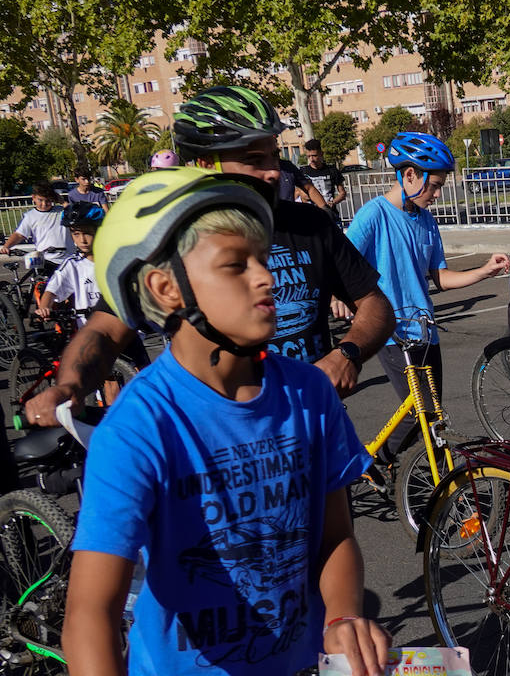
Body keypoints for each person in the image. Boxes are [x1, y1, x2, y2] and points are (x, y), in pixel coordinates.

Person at [64, 168, 410, 676]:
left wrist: (346, 612)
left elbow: (336, 538)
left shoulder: (307, 392)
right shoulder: (141, 429)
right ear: (164, 290)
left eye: (264, 258)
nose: (268, 278)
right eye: (236, 264)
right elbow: (88, 612)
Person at [22, 84, 394, 427]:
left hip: (311, 423)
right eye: (253, 158)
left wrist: (348, 352)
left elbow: (374, 304)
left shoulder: (311, 224)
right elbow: (105, 329)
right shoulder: (171, 238)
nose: (270, 172)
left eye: (273, 156)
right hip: (210, 434)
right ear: (202, 165)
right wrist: (70, 386)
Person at [347, 131, 508, 478]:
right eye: (433, 186)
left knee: (431, 413)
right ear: (409, 176)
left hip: (425, 330)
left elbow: (441, 277)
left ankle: (386, 465)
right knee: (421, 413)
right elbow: (342, 260)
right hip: (390, 332)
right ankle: (378, 463)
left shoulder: (427, 221)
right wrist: (339, 297)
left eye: (440, 186)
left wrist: (484, 271)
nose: (437, 194)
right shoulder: (374, 215)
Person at [35, 202, 103, 322]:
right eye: (76, 234)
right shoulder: (73, 264)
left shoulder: (114, 261)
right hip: (90, 329)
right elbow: (52, 289)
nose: (82, 240)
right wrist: (44, 308)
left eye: (87, 233)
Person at [0, 183, 74, 262]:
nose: (44, 204)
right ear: (33, 198)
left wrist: (62, 202)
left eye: (48, 200)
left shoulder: (62, 211)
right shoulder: (30, 216)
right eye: (40, 200)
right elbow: (19, 234)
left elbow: (80, 214)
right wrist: (6, 246)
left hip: (68, 258)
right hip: (46, 259)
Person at [301, 137, 348, 225]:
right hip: (311, 217)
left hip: (330, 215)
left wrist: (332, 202)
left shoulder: (332, 170)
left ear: (321, 154)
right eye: (309, 156)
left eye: (314, 155)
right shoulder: (303, 172)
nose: (311, 159)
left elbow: (342, 193)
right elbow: (299, 194)